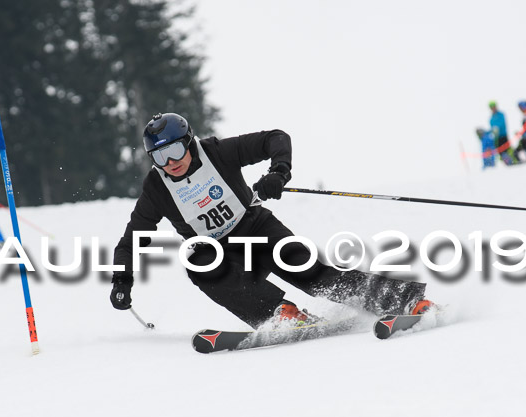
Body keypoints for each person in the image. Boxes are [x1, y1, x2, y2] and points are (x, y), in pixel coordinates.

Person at [109, 113, 433, 328]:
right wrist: (122, 279)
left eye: (175, 151)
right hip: (221, 256)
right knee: (197, 262)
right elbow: (133, 237)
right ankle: (282, 314)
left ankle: (405, 300)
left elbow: (275, 138)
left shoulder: (217, 153)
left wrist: (278, 172)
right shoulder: (157, 187)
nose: (171, 163)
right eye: (160, 157)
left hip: (258, 230)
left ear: (189, 142)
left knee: (315, 274)